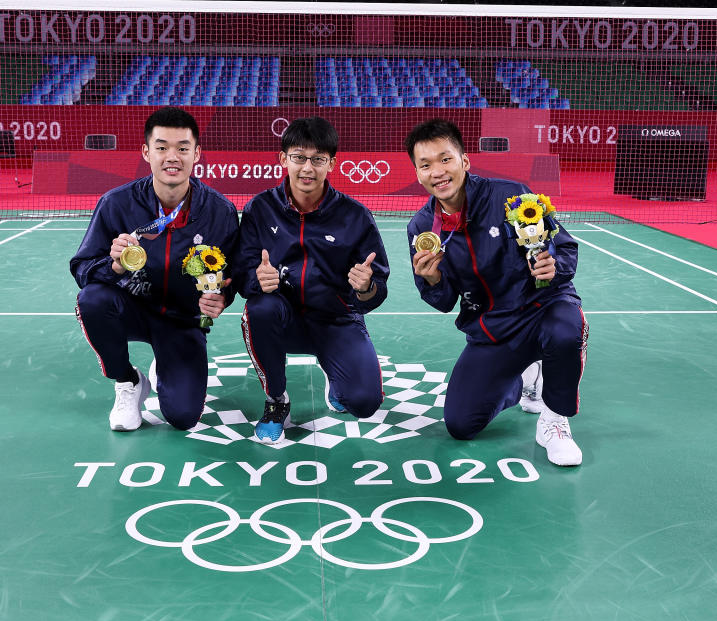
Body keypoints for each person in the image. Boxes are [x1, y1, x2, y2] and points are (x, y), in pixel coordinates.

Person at [404, 118, 587, 466]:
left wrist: (553, 267)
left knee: (566, 329)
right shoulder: (421, 227)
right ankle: (524, 377)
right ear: (417, 174)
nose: (437, 172)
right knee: (461, 424)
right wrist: (431, 281)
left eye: (445, 159)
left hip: (542, 309)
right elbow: (444, 302)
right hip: (493, 331)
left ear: (464, 162)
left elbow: (564, 248)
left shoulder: (512, 197)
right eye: (425, 165)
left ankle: (554, 420)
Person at [71, 107, 239, 432]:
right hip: (130, 308)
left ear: (197, 153)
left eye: (182, 148)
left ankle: (168, 360)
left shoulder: (220, 211)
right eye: (161, 147)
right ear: (146, 152)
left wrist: (223, 296)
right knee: (91, 300)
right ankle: (128, 381)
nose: (171, 157)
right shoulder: (116, 204)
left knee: (183, 418)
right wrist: (114, 266)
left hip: (182, 320)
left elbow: (231, 274)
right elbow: (82, 267)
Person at [237, 117, 390, 444]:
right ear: (283, 159)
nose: (308, 167)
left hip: (336, 319)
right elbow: (242, 273)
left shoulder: (356, 215)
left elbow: (378, 286)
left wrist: (366, 288)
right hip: (283, 317)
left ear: (332, 163)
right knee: (258, 309)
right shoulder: (260, 209)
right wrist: (256, 279)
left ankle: (336, 373)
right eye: (299, 157)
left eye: (318, 159)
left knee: (363, 403)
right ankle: (277, 400)